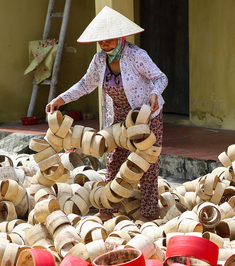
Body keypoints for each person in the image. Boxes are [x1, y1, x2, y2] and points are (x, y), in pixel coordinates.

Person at [46, 6, 168, 223]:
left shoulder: (137, 56)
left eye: (108, 38)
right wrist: (60, 99)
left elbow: (160, 78)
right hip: (120, 117)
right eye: (100, 39)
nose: (104, 43)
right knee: (114, 161)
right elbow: (85, 85)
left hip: (146, 117)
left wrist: (155, 94)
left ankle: (149, 215)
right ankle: (108, 208)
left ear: (120, 35)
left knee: (148, 164)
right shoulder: (99, 60)